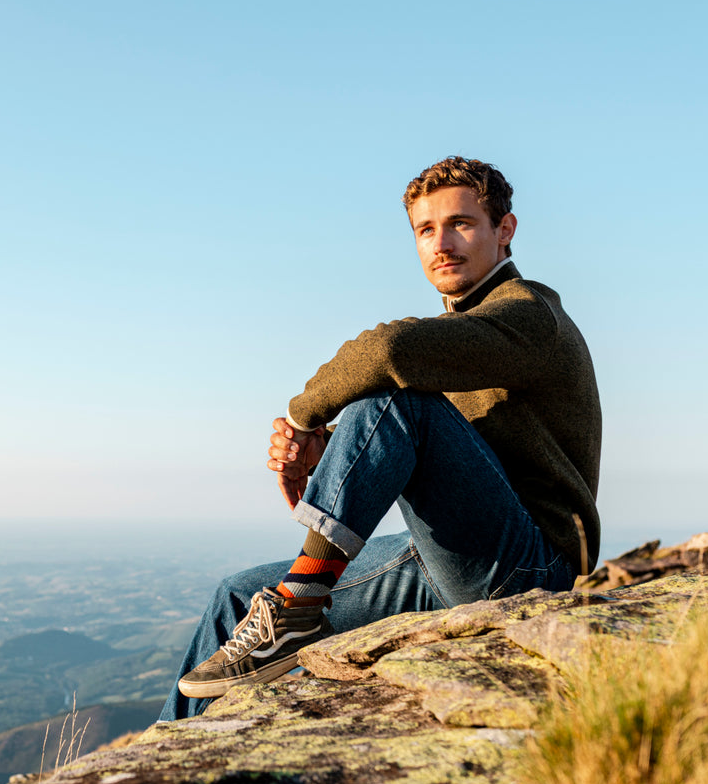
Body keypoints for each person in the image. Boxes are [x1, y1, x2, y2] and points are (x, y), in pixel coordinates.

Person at [160, 156, 601, 721]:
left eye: (461, 223)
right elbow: (459, 447)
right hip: (446, 561)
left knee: (395, 393)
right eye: (425, 229)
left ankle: (298, 605)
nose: (441, 243)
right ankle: (166, 746)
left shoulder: (529, 315)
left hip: (529, 569)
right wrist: (329, 448)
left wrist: (301, 419)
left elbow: (388, 353)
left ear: (504, 230)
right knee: (237, 597)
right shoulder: (470, 334)